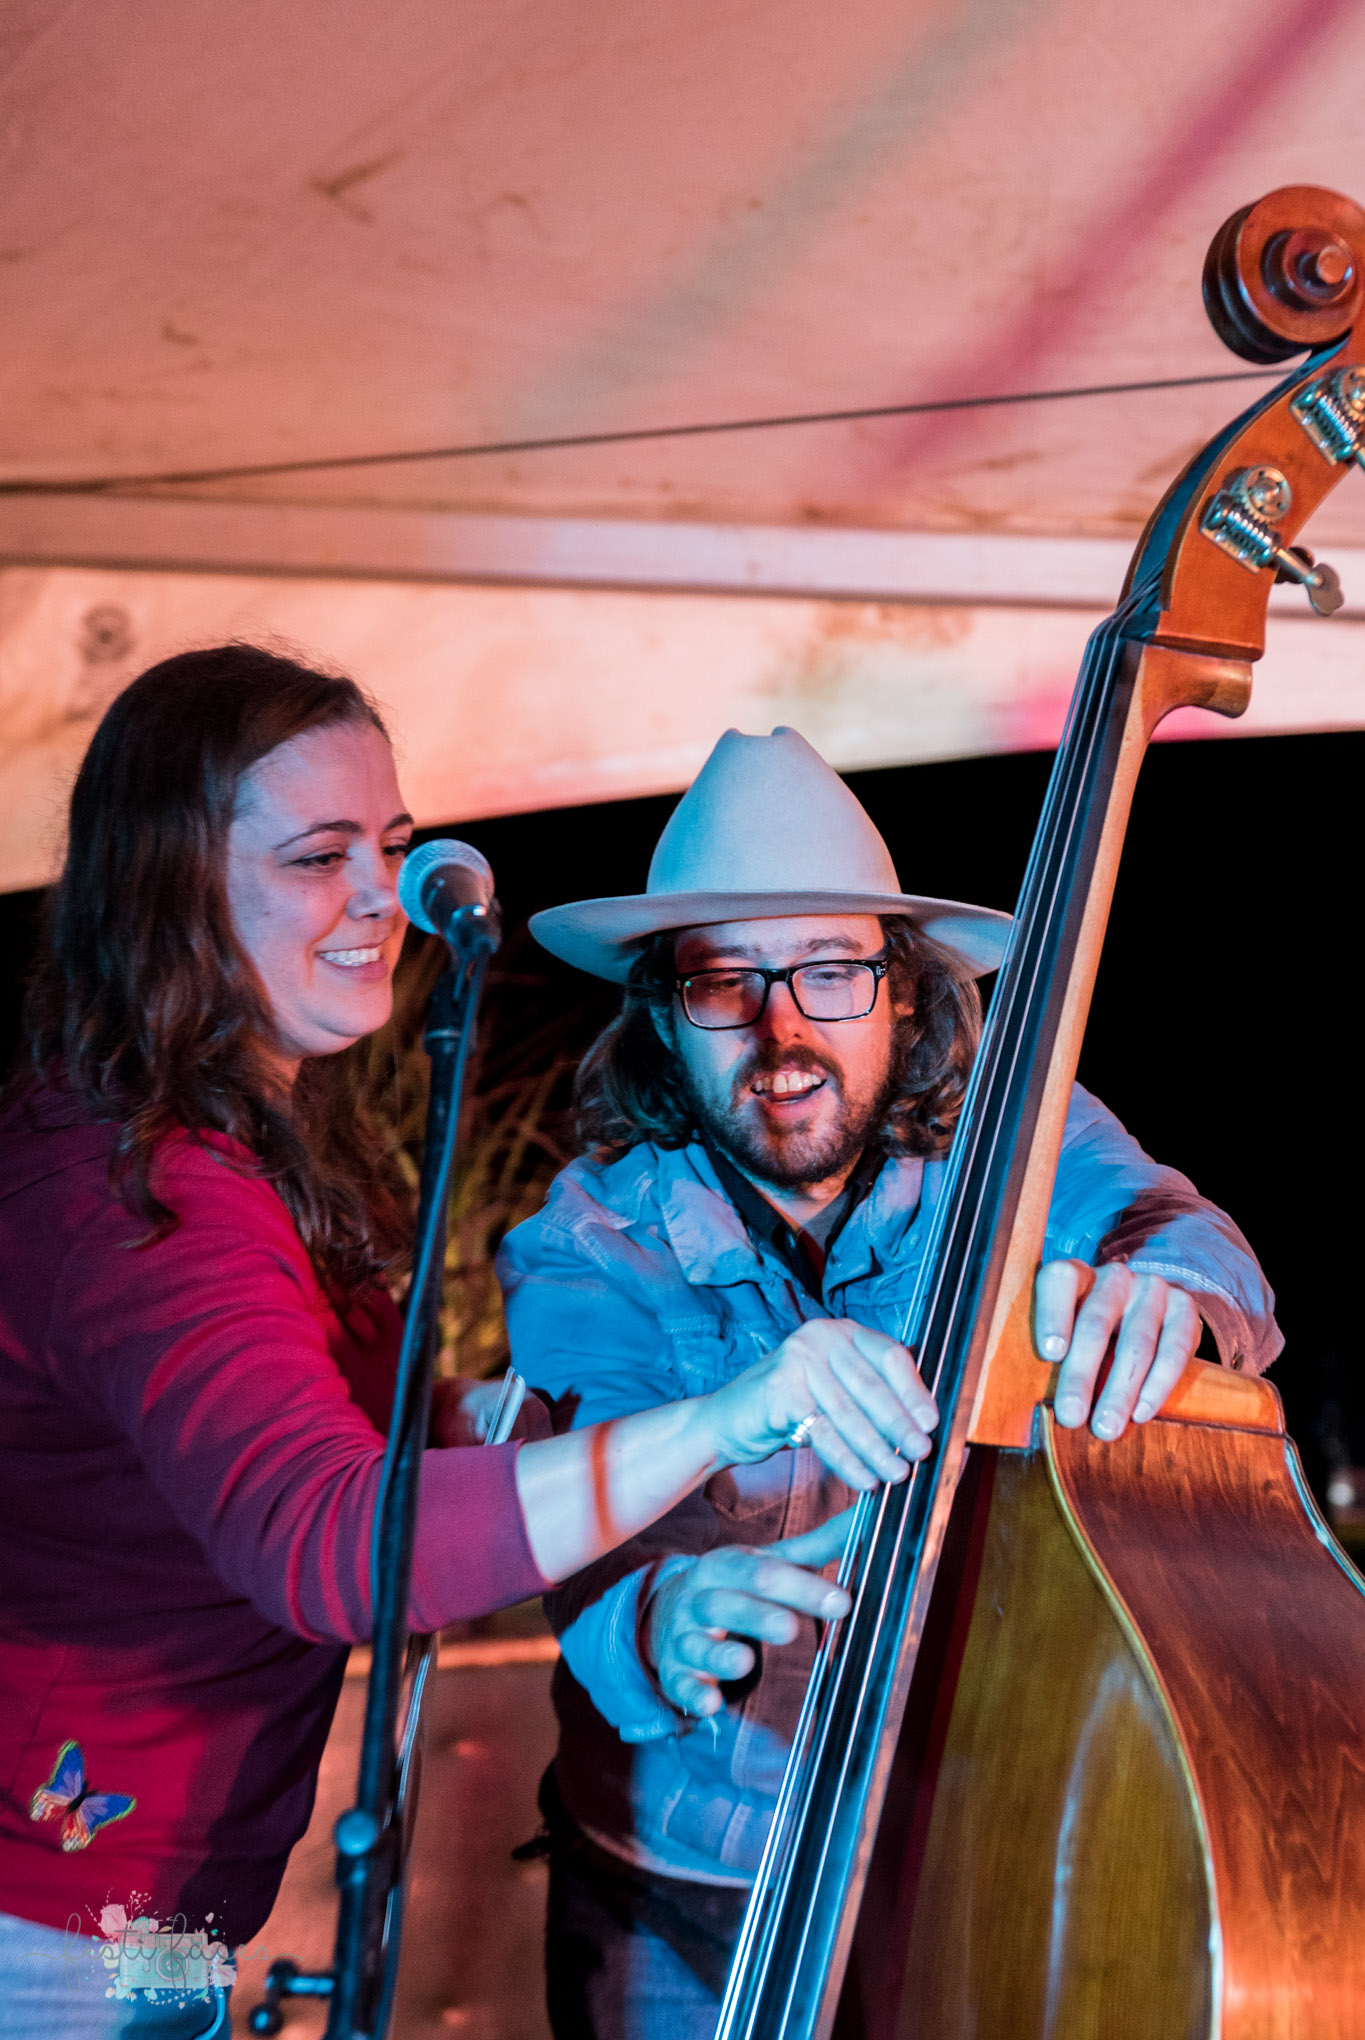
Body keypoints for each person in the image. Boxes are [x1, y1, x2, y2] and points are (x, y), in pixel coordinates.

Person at [0, 661, 938, 2040]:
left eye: (391, 848)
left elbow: (216, 1438)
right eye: (319, 858)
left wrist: (460, 1419)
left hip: (153, 1895)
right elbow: (330, 1545)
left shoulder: (228, 1145)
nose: (383, 899)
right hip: (55, 1916)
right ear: (170, 888)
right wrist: (727, 1419)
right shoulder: (141, 1192)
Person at [499, 725, 1281, 2040]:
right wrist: (661, 1612)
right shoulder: (589, 1243)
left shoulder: (1015, 1141)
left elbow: (1191, 1243)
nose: (785, 1029)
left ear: (904, 993)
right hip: (677, 1897)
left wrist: (1164, 1302)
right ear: (662, 1018)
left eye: (830, 971)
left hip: (962, 1853)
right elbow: (587, 1509)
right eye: (724, 982)